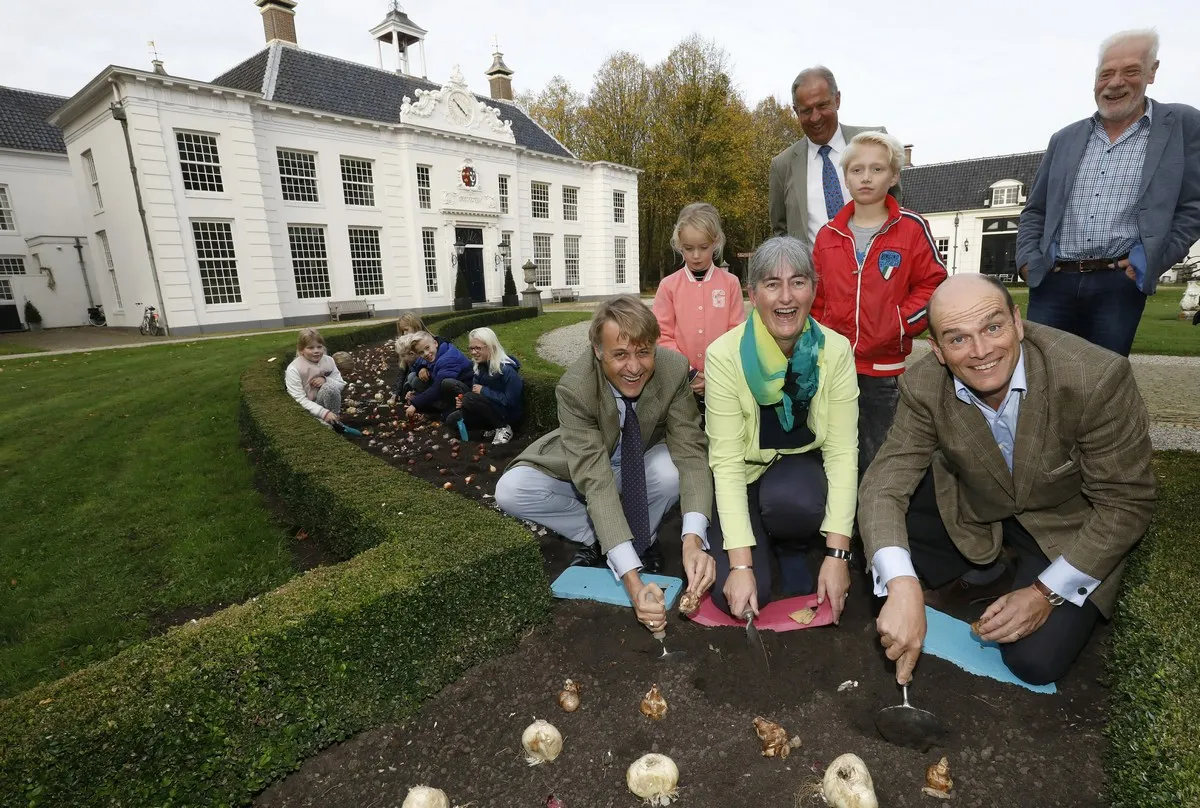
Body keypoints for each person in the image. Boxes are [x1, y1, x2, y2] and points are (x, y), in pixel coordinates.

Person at [861, 274, 1156, 686]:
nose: (980, 351)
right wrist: (901, 583)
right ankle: (984, 571)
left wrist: (1042, 593)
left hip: (1065, 524)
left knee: (1034, 661)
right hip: (983, 504)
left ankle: (1017, 574)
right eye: (958, 338)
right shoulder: (925, 384)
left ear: (1018, 322)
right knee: (895, 505)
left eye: (992, 327)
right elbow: (884, 483)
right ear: (939, 351)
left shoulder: (1095, 378)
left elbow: (1128, 503)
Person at [495, 295, 714, 634]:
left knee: (671, 470)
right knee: (511, 490)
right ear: (598, 351)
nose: (634, 367)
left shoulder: (672, 369)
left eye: (644, 352)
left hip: (642, 458)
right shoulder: (575, 387)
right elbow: (595, 481)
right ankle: (606, 539)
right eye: (620, 354)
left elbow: (692, 455)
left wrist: (692, 540)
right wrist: (632, 581)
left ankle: (639, 534)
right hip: (587, 459)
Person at [1017, 29, 1200, 357]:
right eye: (1106, 73)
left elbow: (1192, 206)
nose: (1115, 82)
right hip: (1053, 279)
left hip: (1119, 282)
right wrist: (1029, 261)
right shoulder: (1064, 138)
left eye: (1131, 71)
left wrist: (1151, 260)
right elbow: (1035, 210)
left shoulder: (1182, 124)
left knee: (1103, 384)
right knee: (1042, 379)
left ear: (1152, 72)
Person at [705, 236, 859, 623]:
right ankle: (758, 547)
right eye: (772, 284)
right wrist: (740, 568)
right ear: (753, 294)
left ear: (813, 289)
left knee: (797, 500)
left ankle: (792, 547)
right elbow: (725, 464)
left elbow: (842, 455)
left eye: (798, 281)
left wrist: (838, 556)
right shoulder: (723, 355)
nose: (786, 297)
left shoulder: (836, 352)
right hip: (742, 477)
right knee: (736, 603)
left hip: (795, 475)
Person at [811, 131, 946, 475]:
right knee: (836, 455)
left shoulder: (911, 229)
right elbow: (816, 297)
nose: (866, 177)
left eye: (877, 169)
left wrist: (899, 323)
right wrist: (816, 345)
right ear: (846, 177)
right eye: (857, 170)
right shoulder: (828, 235)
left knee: (878, 458)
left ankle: (874, 524)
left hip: (883, 373)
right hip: (835, 369)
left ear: (894, 175)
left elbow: (934, 284)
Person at [769, 65, 894, 252]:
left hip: (876, 272)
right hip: (815, 277)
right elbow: (781, 232)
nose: (815, 117)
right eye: (806, 110)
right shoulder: (782, 165)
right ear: (796, 111)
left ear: (837, 100)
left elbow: (897, 206)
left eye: (822, 105)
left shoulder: (876, 142)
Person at [652, 202, 746, 400]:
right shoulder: (668, 286)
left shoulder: (730, 283)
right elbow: (661, 336)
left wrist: (716, 372)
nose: (695, 256)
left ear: (716, 242)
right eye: (688, 248)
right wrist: (688, 373)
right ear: (679, 245)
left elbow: (736, 333)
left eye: (703, 247)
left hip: (723, 380)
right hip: (678, 384)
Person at [445, 326, 524, 445]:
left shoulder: (507, 370)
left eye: (478, 348)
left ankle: (503, 428)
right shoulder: (479, 367)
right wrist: (463, 403)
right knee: (452, 419)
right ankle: (492, 427)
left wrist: (484, 391)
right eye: (471, 348)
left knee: (469, 398)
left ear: (491, 347)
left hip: (508, 414)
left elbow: (511, 402)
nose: (473, 352)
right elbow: (475, 394)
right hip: (489, 411)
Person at [402, 331, 473, 420]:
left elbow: (437, 387)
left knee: (446, 383)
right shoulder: (437, 353)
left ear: (435, 343)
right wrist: (415, 394)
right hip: (453, 391)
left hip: (468, 393)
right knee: (417, 380)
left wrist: (415, 404)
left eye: (427, 348)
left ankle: (452, 410)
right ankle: (441, 410)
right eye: (421, 352)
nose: (426, 353)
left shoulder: (448, 358)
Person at [285, 327, 346, 424]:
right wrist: (323, 413)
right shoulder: (294, 369)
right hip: (306, 408)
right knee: (324, 429)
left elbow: (341, 384)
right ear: (301, 350)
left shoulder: (329, 360)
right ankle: (327, 422)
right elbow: (298, 399)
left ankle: (335, 418)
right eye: (310, 348)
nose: (316, 351)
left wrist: (325, 379)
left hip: (325, 402)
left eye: (319, 347)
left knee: (329, 387)